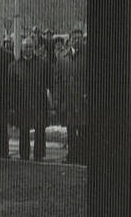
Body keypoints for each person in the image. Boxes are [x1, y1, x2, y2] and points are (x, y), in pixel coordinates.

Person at [9, 37, 52, 161]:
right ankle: (24, 154)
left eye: (30, 47)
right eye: (26, 47)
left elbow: (49, 84)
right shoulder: (14, 66)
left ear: (34, 48)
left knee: (39, 130)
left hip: (39, 102)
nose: (28, 49)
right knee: (24, 130)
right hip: (22, 103)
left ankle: (39, 154)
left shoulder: (43, 64)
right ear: (21, 48)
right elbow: (12, 87)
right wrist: (13, 105)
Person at [55, 29, 87, 164]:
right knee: (71, 129)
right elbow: (57, 80)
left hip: (83, 100)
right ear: (70, 39)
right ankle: (72, 155)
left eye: (79, 38)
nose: (77, 40)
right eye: (74, 38)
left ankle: (84, 156)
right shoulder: (63, 58)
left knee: (84, 129)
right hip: (68, 100)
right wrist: (57, 98)